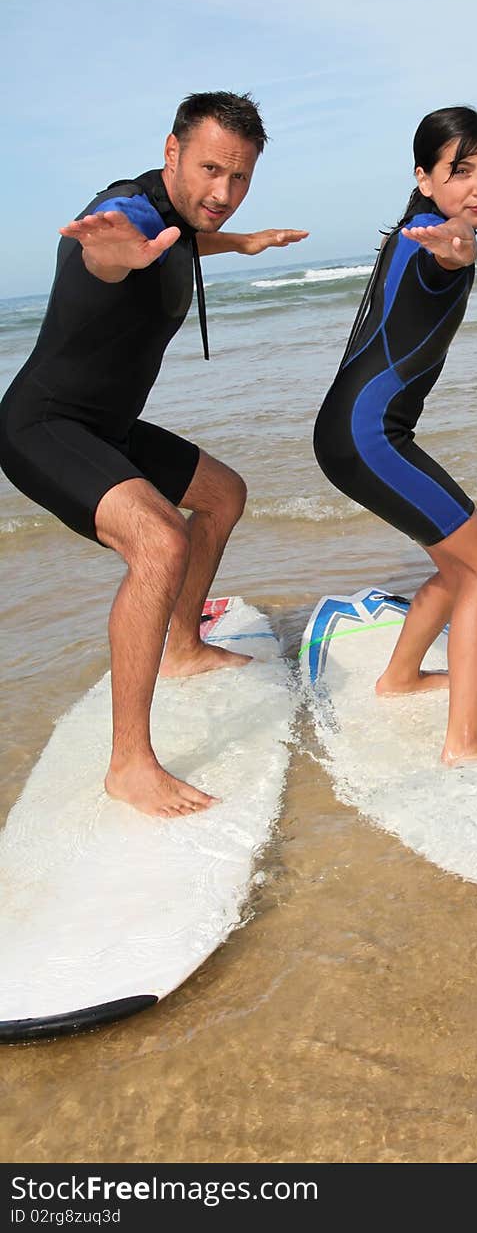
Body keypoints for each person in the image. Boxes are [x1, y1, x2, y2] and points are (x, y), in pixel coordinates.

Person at [0, 91, 308, 818]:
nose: (223, 193)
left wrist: (246, 242)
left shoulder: (178, 219)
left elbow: (185, 233)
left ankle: (181, 645)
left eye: (239, 179)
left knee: (223, 494)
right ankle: (129, 765)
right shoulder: (126, 214)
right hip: (44, 425)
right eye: (209, 170)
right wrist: (107, 251)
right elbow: (117, 243)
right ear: (171, 153)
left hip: (106, 424)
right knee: (160, 542)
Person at [313, 106, 477, 765]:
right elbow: (445, 255)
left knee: (456, 565)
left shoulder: (422, 231)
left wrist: (457, 247)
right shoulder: (432, 237)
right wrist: (457, 253)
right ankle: (466, 741)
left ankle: (400, 678)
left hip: (354, 433)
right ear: (425, 177)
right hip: (367, 438)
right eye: (461, 170)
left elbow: (446, 249)